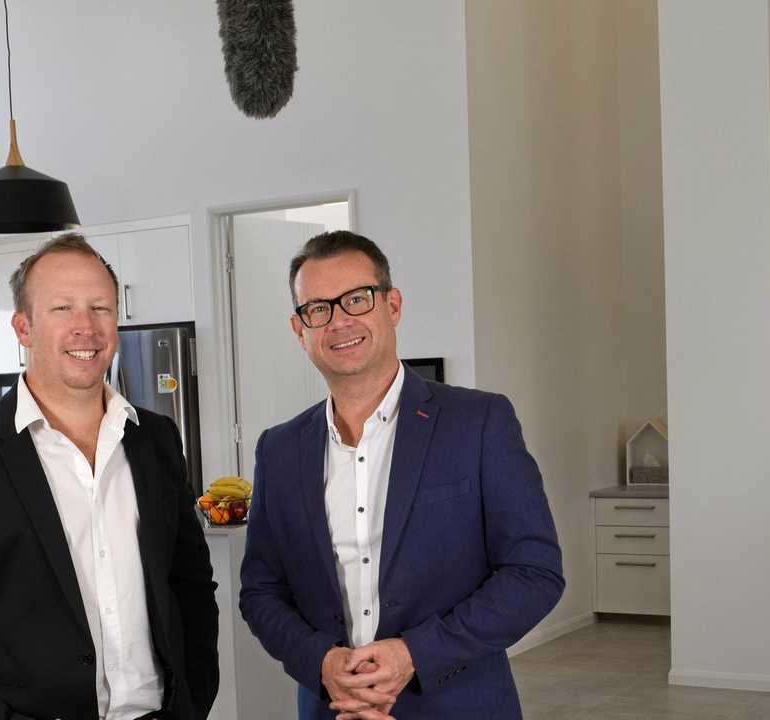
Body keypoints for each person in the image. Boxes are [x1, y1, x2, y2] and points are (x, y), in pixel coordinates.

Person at [239, 231, 564, 719]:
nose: (339, 321)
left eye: (356, 299)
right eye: (318, 309)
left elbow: (534, 573)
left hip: (458, 704)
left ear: (392, 305)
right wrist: (323, 664)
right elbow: (261, 591)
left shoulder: (479, 423)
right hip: (332, 707)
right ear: (298, 328)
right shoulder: (279, 449)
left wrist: (413, 654)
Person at [0, 234, 218, 720]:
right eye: (62, 308)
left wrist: (192, 700)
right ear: (23, 327)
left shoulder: (155, 439)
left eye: (100, 308)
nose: (85, 327)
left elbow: (191, 584)